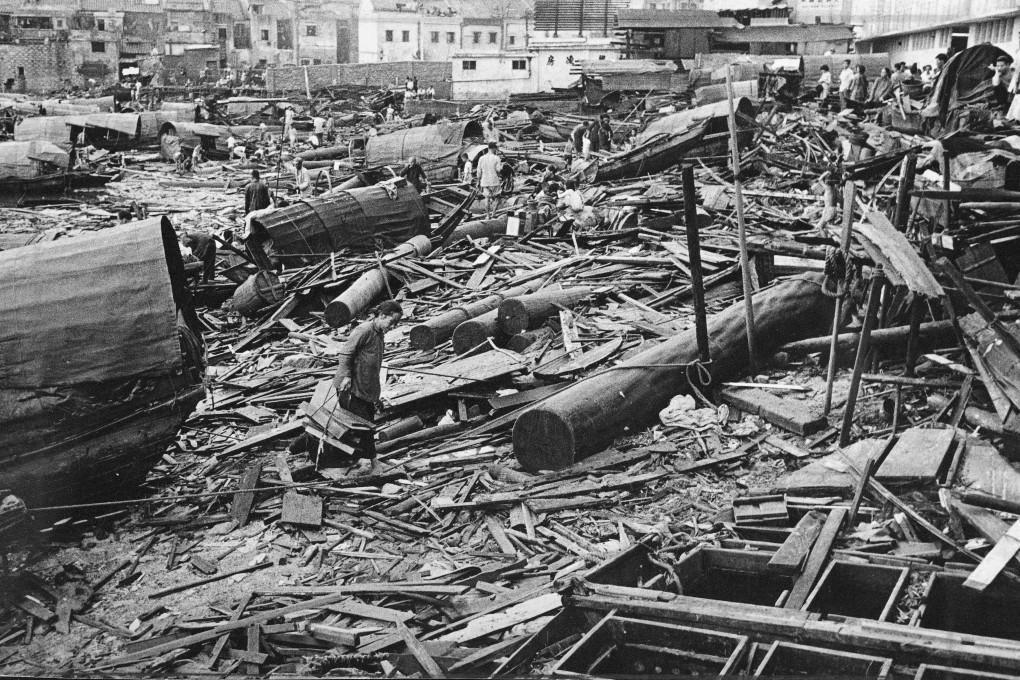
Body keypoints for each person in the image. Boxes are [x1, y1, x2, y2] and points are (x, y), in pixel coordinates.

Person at [332, 300, 404, 472]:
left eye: (396, 323)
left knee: (364, 426)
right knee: (364, 427)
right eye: (392, 322)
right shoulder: (364, 330)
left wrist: (375, 395)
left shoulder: (379, 333)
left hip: (366, 388)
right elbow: (345, 354)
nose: (393, 326)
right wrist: (346, 376)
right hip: (351, 387)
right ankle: (373, 463)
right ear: (382, 316)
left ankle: (357, 460)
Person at [476, 142, 502, 219]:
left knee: (487, 198)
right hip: (494, 181)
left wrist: (478, 181)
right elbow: (498, 170)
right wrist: (502, 166)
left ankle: (487, 215)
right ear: (494, 148)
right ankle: (493, 214)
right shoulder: (496, 158)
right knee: (497, 197)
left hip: (484, 181)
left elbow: (479, 171)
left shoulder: (481, 158)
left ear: (488, 148)